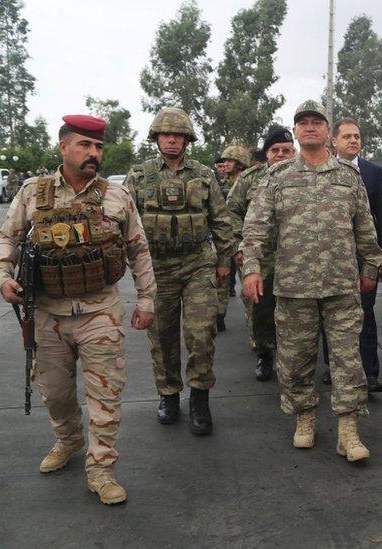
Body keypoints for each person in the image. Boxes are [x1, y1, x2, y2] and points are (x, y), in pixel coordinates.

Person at [0, 115, 156, 504]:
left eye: (98, 147)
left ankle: (101, 468)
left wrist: (146, 299)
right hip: (47, 314)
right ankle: (67, 439)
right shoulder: (33, 192)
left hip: (100, 312)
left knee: (106, 395)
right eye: (85, 145)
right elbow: (7, 240)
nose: (93, 153)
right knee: (55, 393)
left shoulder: (117, 197)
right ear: (64, 147)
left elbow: (138, 249)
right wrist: (2, 276)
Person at [241, 100, 382, 460]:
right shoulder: (277, 177)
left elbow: (365, 228)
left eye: (316, 122)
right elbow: (256, 227)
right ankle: (305, 417)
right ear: (296, 131)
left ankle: (348, 430)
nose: (309, 127)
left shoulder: (348, 177)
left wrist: (370, 268)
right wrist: (252, 268)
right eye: (302, 123)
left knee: (348, 359)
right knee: (296, 358)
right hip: (293, 287)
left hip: (340, 286)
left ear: (326, 131)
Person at [123, 107, 234, 436]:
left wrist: (225, 260)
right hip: (157, 268)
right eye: (165, 134)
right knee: (163, 336)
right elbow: (125, 221)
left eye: (178, 135)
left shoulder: (202, 174)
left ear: (187, 139)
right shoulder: (139, 176)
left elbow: (221, 220)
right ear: (156, 138)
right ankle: (168, 395)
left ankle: (200, 397)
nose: (171, 139)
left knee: (202, 334)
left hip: (198, 263)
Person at [227, 127, 296, 381]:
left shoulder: (305, 175)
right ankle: (264, 354)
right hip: (260, 256)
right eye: (275, 150)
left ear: (294, 152)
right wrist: (238, 245)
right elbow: (231, 212)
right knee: (260, 309)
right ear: (266, 154)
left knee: (296, 310)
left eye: (286, 150)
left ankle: (291, 356)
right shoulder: (249, 179)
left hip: (296, 257)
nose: (280, 155)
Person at [331, 117, 382, 393]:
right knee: (330, 316)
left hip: (365, 257)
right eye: (347, 136)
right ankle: (333, 370)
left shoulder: (372, 171)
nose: (354, 140)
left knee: (365, 313)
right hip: (333, 257)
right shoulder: (325, 169)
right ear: (334, 141)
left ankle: (370, 373)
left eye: (357, 136)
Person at [215, 145, 250, 330]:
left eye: (229, 161)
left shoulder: (247, 183)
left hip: (241, 240)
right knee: (221, 280)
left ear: (240, 163)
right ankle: (219, 316)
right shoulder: (224, 183)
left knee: (247, 283)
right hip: (223, 239)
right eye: (224, 161)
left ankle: (253, 322)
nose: (225, 164)